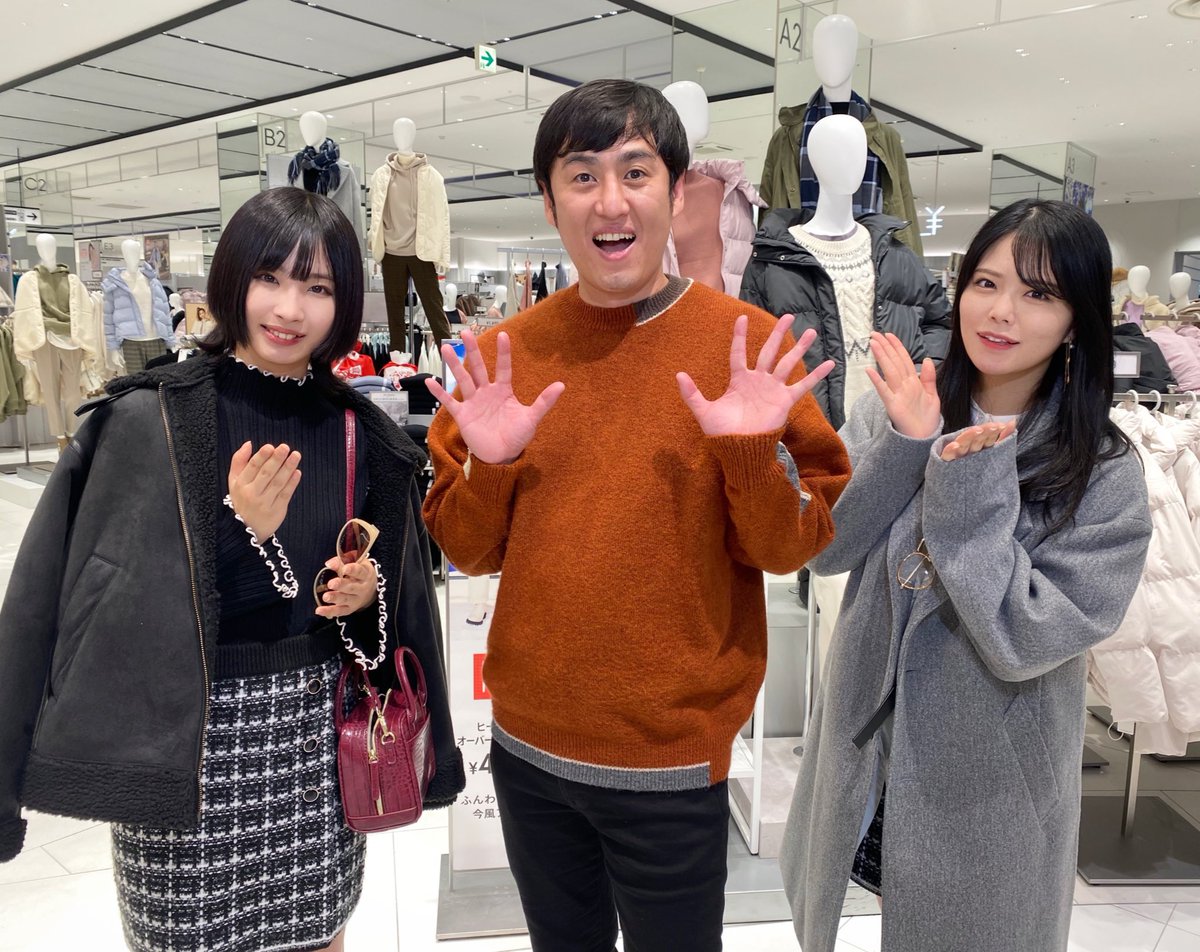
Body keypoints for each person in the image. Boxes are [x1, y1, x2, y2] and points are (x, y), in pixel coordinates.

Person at [422, 79, 851, 952]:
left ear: (677, 191)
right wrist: (492, 467)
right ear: (550, 203)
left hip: (673, 762)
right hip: (530, 751)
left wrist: (748, 455)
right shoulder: (504, 357)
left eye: (635, 171)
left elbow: (787, 549)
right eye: (582, 177)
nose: (610, 201)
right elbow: (466, 550)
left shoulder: (745, 347)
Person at [0, 187, 464, 952]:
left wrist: (363, 598)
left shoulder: (359, 431)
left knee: (318, 936)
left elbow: (393, 623)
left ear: (345, 302)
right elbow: (60, 601)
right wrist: (239, 532)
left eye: (318, 288)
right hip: (183, 748)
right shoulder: (148, 418)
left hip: (314, 748)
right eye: (269, 278)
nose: (289, 308)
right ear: (232, 280)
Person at [779, 199, 1154, 952]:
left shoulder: (1105, 472)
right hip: (866, 749)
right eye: (986, 282)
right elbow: (825, 550)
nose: (1001, 311)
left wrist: (962, 485)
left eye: (1038, 293)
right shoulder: (900, 406)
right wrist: (908, 443)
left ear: (1076, 320)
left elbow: (1025, 636)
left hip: (990, 782)